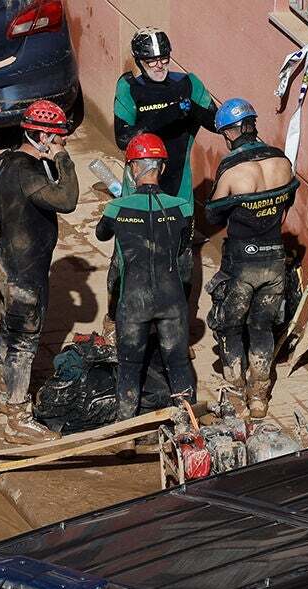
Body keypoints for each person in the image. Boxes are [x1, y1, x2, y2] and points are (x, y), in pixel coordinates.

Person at [0, 100, 78, 443]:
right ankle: (19, 418)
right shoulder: (29, 172)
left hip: (4, 258)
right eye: (59, 138)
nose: (64, 142)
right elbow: (67, 199)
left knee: (6, 331)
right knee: (23, 342)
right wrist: (62, 161)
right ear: (42, 136)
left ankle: (5, 393)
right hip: (25, 271)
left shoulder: (5, 161)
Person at [204, 98, 300, 418]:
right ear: (252, 124)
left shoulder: (232, 170)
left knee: (230, 328)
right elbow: (288, 199)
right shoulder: (282, 162)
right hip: (274, 258)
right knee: (262, 327)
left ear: (230, 133)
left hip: (241, 260)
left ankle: (236, 398)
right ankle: (260, 397)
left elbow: (214, 215)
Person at [97, 133, 194, 418]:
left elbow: (101, 234)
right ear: (162, 168)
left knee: (129, 366)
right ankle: (187, 426)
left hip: (133, 301)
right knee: (177, 364)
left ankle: (125, 432)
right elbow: (184, 248)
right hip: (172, 299)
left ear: (132, 169)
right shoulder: (182, 207)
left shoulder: (117, 208)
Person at [113, 28, 219, 216]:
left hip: (178, 177)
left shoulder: (188, 83)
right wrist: (169, 114)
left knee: (180, 237)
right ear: (139, 61)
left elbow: (217, 124)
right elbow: (123, 138)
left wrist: (192, 110)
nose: (159, 65)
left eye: (164, 58)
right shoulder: (129, 87)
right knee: (135, 237)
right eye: (151, 60)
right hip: (139, 176)